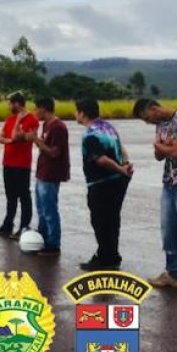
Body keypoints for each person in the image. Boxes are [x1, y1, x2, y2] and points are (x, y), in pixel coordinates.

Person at [76, 98, 133, 272]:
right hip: (117, 182)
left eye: (76, 111)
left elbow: (101, 160)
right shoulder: (108, 127)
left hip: (101, 182)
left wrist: (121, 169)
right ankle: (111, 255)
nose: (75, 114)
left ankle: (105, 259)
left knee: (100, 221)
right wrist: (125, 163)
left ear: (83, 113)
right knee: (112, 220)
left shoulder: (90, 134)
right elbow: (121, 148)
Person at [133, 98, 177, 287]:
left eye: (147, 118)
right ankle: (173, 273)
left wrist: (161, 147)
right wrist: (161, 149)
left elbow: (174, 153)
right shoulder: (161, 125)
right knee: (169, 230)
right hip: (169, 182)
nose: (148, 122)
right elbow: (159, 155)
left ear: (154, 109)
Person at [25, 96, 70, 257]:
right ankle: (42, 238)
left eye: (37, 109)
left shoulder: (57, 127)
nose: (35, 112)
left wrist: (36, 140)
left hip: (51, 174)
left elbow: (54, 153)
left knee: (49, 209)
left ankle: (53, 243)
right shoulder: (46, 125)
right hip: (43, 172)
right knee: (41, 208)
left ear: (43, 108)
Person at [0, 92, 39, 240]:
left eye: (11, 103)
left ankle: (24, 226)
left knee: (24, 195)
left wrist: (19, 120)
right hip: (8, 162)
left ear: (18, 104)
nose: (9, 106)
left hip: (22, 163)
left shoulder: (32, 120)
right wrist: (8, 141)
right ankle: (8, 225)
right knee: (10, 195)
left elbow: (14, 136)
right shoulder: (9, 119)